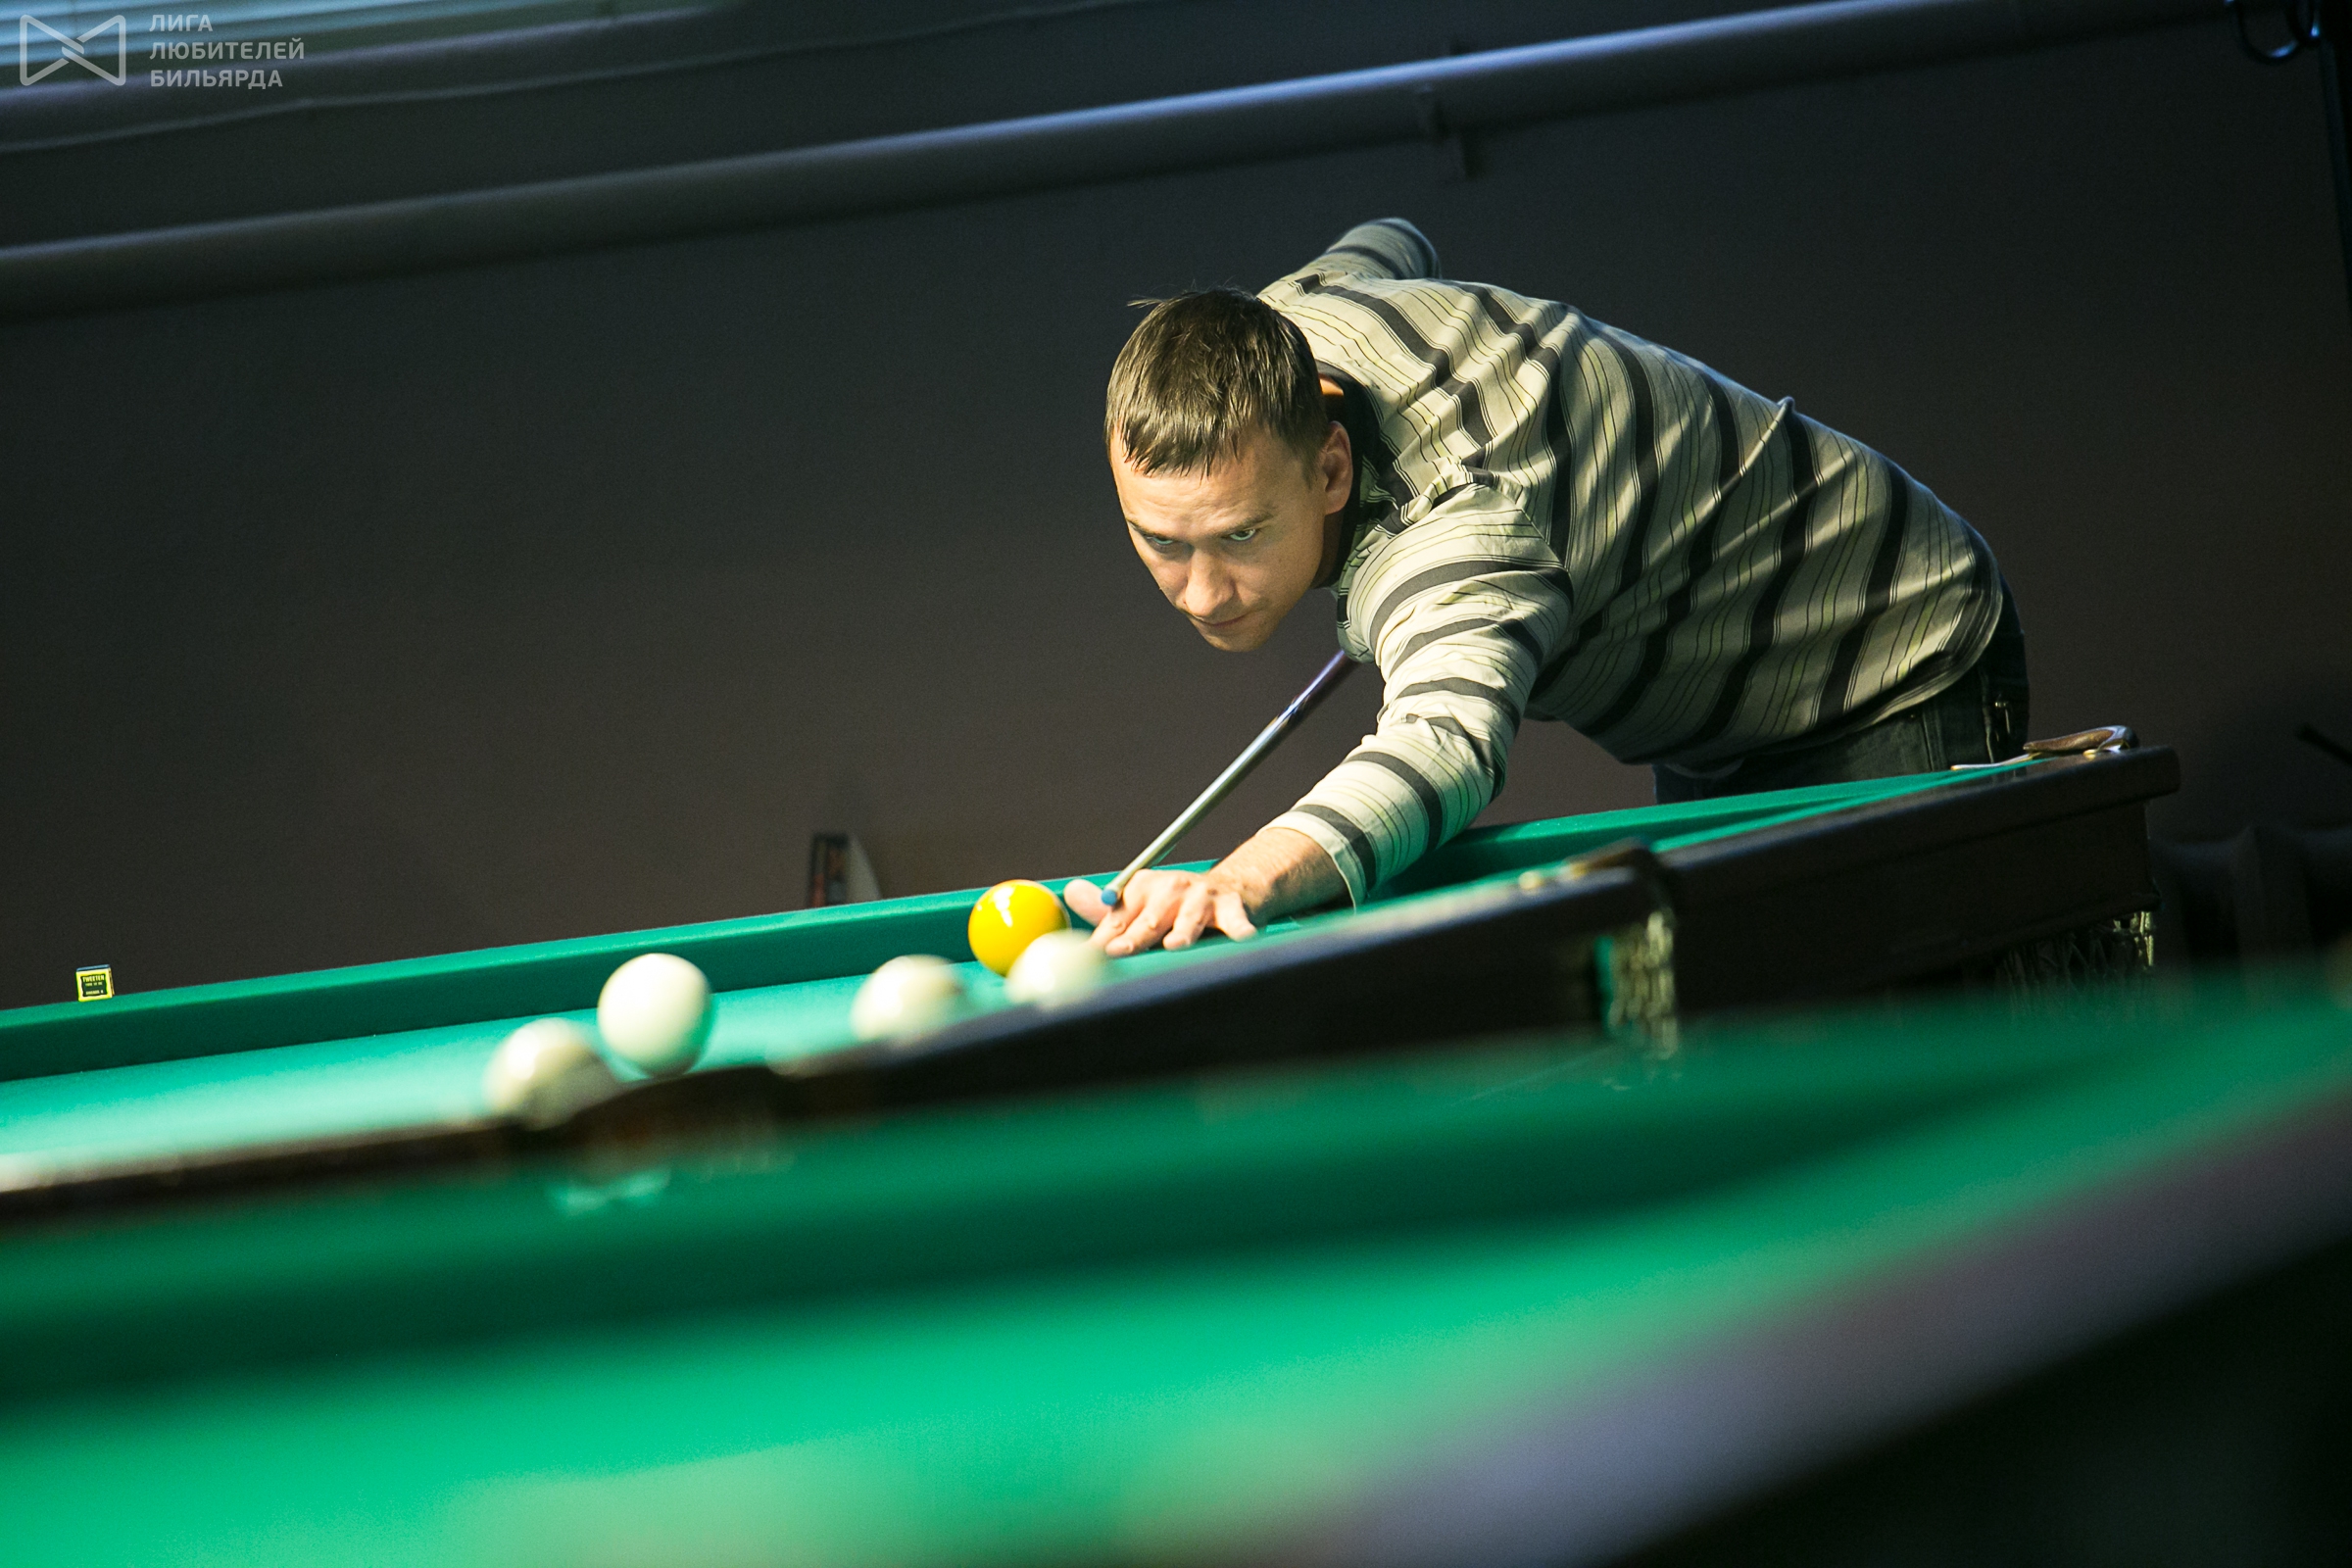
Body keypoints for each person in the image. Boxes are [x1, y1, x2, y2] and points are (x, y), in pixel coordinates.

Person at [1066, 218, 2029, 956]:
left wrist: (1242, 878)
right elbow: (1391, 239)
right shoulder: (1301, 316)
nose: (1202, 592)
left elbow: (1443, 746)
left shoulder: (1461, 531)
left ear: (1330, 470)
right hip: (1719, 696)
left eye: (1241, 534)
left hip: (1886, 650)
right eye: (1161, 540)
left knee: (1885, 1063)